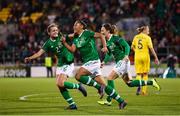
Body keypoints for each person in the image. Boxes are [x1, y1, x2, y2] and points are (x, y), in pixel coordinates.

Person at [62, 20, 127, 109]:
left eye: (76, 24)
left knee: (78, 75)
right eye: (74, 25)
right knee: (105, 85)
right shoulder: (76, 38)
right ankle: (121, 101)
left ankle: (97, 87)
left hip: (93, 61)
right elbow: (72, 50)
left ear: (81, 26)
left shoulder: (87, 33)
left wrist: (104, 46)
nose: (74, 26)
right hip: (88, 62)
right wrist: (65, 43)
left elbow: (101, 35)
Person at [24, 23, 87, 110]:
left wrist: (80, 32)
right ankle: (72, 104)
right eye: (53, 30)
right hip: (60, 64)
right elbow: (39, 53)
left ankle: (78, 86)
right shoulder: (48, 43)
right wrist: (30, 58)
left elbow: (72, 35)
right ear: (49, 33)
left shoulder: (61, 37)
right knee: (59, 85)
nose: (56, 31)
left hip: (68, 62)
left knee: (60, 83)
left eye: (56, 30)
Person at [97, 23, 161, 106]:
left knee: (109, 78)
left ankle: (109, 100)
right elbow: (109, 54)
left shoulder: (116, 38)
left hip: (123, 61)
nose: (101, 32)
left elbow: (127, 46)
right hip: (121, 63)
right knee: (129, 83)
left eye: (102, 30)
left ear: (108, 31)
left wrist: (126, 55)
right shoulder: (108, 42)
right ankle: (151, 82)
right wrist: (104, 62)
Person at [131, 25, 160, 95]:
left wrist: (137, 51)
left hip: (137, 57)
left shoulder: (136, 37)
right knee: (145, 74)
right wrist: (156, 57)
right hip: (145, 57)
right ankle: (144, 92)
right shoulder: (147, 38)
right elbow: (151, 49)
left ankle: (139, 86)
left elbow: (132, 47)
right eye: (148, 30)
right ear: (144, 31)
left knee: (138, 74)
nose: (149, 31)